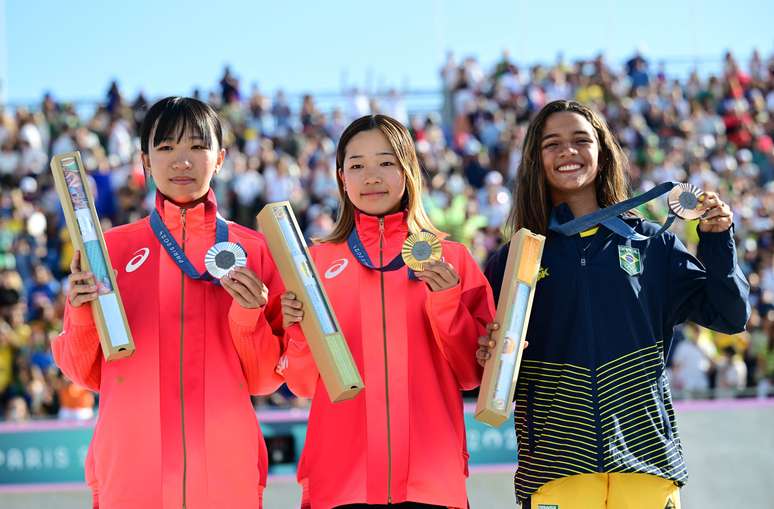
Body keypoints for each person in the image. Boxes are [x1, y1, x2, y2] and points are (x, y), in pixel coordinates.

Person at [477, 100, 750, 508]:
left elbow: (730, 315)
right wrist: (485, 351)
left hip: (647, 464)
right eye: (552, 143)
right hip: (555, 469)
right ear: (536, 159)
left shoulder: (651, 244)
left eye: (580, 140)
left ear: (602, 152)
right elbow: (487, 358)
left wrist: (717, 241)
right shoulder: (516, 259)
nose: (568, 151)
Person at [52, 97, 284, 509]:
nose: (182, 161)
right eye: (166, 148)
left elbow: (267, 379)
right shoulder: (109, 251)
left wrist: (249, 316)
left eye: (197, 146)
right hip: (130, 472)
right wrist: (84, 315)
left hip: (225, 472)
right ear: (145, 160)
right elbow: (81, 372)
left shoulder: (255, 250)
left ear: (220, 159)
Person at [279, 114, 495, 508]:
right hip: (340, 483)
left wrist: (446, 303)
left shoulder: (452, 259)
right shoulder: (315, 264)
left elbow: (472, 373)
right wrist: (296, 332)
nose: (371, 176)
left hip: (429, 484)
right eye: (356, 166)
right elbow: (303, 383)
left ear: (408, 169)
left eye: (385, 162)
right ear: (342, 178)